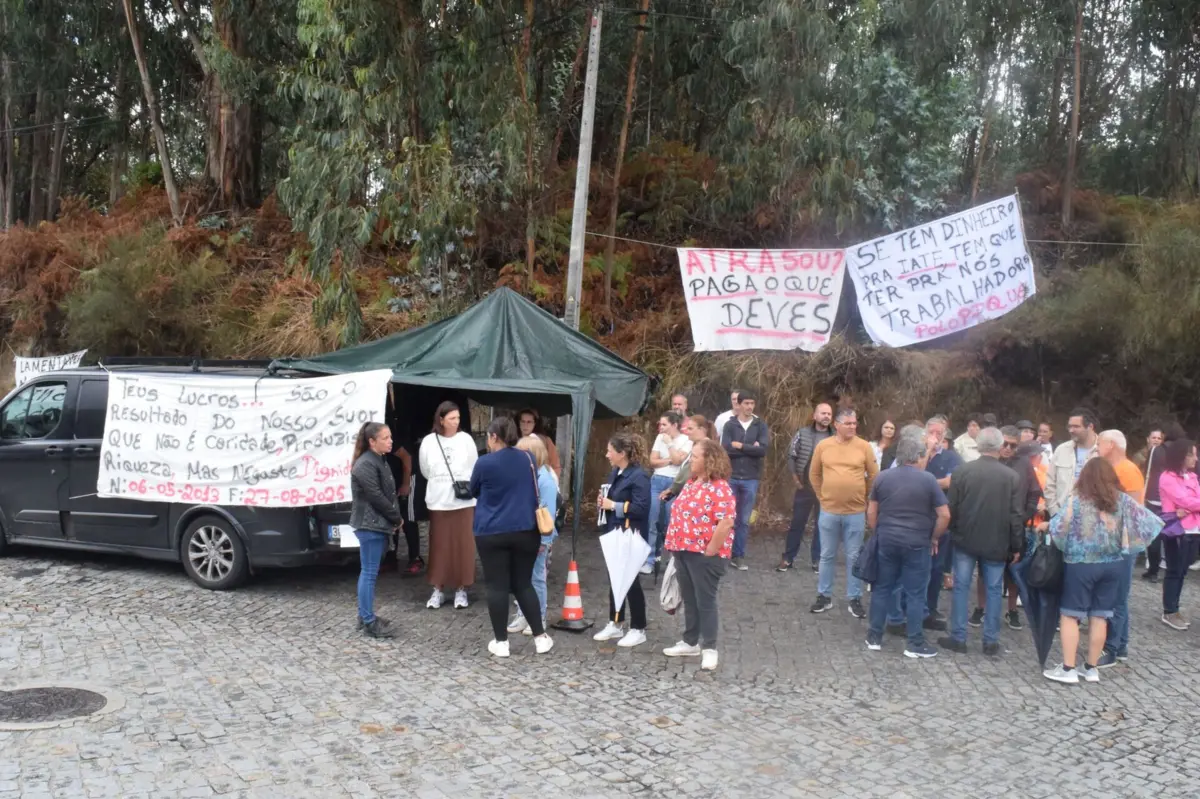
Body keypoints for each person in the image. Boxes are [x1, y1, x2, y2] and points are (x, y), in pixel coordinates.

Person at [1042, 459, 1162, 684]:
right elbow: (1150, 523)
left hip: (1082, 565)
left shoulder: (1076, 502)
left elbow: (1059, 532)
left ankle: (1068, 669)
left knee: (1070, 614)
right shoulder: (1123, 501)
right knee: (1100, 616)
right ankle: (1091, 667)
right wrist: (1129, 545)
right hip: (1113, 565)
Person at [469, 418, 554, 658]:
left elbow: (473, 490)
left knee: (496, 586)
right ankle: (540, 637)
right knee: (523, 583)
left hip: (491, 531)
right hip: (526, 530)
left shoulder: (484, 463)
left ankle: (501, 642)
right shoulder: (527, 458)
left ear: (494, 437)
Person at [936, 428, 1023, 657]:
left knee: (961, 587)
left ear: (979, 445)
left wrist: (953, 532)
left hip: (965, 539)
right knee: (994, 590)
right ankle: (990, 641)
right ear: (999, 445)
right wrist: (1016, 546)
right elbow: (1016, 516)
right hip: (997, 541)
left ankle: (958, 637)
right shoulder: (1011, 477)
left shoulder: (962, 472)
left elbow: (951, 507)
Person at [865, 435, 950, 658]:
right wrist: (934, 537)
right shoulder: (928, 480)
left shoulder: (882, 477)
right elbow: (944, 515)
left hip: (887, 540)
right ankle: (914, 643)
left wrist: (878, 532)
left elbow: (872, 511)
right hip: (917, 543)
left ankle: (874, 636)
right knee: (915, 594)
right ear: (919, 457)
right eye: (925, 456)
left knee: (882, 588)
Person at [662, 439, 736, 671]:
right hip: (683, 550)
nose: (690, 460)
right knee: (690, 598)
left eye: (695, 456)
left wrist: (710, 552)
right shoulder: (692, 482)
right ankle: (690, 640)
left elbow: (725, 522)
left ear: (709, 459)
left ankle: (710, 647)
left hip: (703, 555)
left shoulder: (720, 488)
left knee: (705, 601)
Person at [966, 426, 1041, 631]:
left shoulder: (1024, 464)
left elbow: (1035, 492)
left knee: (1014, 572)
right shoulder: (990, 462)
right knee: (984, 570)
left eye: (1013, 445)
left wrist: (1026, 516)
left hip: (1016, 525)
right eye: (1005, 444)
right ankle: (981, 608)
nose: (1008, 448)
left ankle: (1012, 610)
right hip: (991, 525)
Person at [808, 408, 878, 617]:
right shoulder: (823, 446)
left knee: (854, 556)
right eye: (848, 423)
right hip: (829, 510)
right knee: (827, 555)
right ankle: (824, 596)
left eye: (854, 423)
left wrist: (864, 497)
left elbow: (874, 475)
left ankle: (854, 598)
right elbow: (814, 474)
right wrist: (823, 496)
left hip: (855, 511)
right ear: (836, 425)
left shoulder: (864, 447)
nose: (852, 427)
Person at [593, 433, 653, 648]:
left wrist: (613, 506)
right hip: (614, 531)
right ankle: (615, 622)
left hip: (630, 534)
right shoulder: (616, 472)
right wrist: (605, 502)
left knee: (630, 581)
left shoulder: (639, 477)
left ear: (622, 453)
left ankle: (638, 627)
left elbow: (641, 508)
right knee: (615, 579)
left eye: (610, 451)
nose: (606, 454)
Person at [1095, 429, 1148, 666]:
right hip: (1114, 540)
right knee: (1116, 594)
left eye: (1099, 443)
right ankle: (1121, 644)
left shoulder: (1127, 470)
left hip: (1123, 543)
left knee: (1117, 595)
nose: (1096, 446)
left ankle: (1113, 647)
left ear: (1111, 445)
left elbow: (1135, 510)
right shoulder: (1114, 470)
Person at [419, 402, 478, 610]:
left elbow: (473, 465)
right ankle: (438, 588)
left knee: (463, 545)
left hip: (462, 501)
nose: (456, 422)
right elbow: (425, 470)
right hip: (439, 501)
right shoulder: (428, 442)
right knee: (439, 545)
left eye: (458, 418)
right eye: (452, 418)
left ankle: (461, 588)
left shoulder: (466, 440)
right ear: (441, 419)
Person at [349, 422, 404, 638]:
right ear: (372, 441)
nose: (390, 441)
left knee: (369, 572)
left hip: (376, 525)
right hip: (369, 525)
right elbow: (376, 496)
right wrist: (396, 517)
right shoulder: (365, 464)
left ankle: (365, 615)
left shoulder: (378, 459)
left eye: (390, 437)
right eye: (386, 438)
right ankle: (368, 620)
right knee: (369, 573)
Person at [506, 435, 559, 636]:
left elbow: (548, 513)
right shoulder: (529, 475)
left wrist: (543, 541)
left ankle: (539, 616)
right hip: (523, 535)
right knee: (521, 578)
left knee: (536, 578)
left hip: (538, 537)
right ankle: (523, 614)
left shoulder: (545, 480)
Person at [778, 403, 834, 573]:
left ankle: (817, 560)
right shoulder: (802, 434)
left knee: (822, 525)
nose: (826, 416)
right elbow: (791, 456)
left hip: (826, 489)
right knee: (797, 523)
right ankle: (788, 558)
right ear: (815, 416)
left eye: (829, 414)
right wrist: (795, 479)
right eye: (823, 413)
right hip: (804, 487)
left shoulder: (836, 438)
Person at [721, 392, 768, 571]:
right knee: (726, 517)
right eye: (746, 403)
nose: (749, 407)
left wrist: (740, 446)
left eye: (752, 403)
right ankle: (722, 552)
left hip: (750, 478)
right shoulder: (730, 425)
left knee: (744, 520)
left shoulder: (760, 425)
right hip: (731, 477)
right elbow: (726, 449)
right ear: (739, 404)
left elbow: (762, 450)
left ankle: (738, 556)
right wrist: (751, 448)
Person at [1157, 438, 1200, 631]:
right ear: (1181, 455)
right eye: (1192, 454)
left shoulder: (1192, 477)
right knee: (1174, 571)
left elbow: (1193, 501)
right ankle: (1170, 611)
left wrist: (1189, 506)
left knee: (1183, 570)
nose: (1196, 458)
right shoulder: (1167, 477)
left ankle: (1174, 608)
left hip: (1194, 529)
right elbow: (1185, 500)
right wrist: (1188, 506)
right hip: (1177, 530)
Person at [647, 412, 691, 573]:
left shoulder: (686, 441)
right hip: (657, 481)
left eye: (664, 424)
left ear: (674, 425)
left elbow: (679, 461)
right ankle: (650, 560)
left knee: (670, 522)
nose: (661, 428)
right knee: (653, 521)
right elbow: (652, 462)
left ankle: (672, 562)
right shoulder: (659, 438)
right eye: (660, 424)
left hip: (674, 483)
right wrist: (670, 460)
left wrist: (670, 445)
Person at [1142, 423, 1185, 582]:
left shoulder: (1156, 450)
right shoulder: (1182, 452)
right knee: (1172, 535)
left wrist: (1144, 494)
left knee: (1154, 536)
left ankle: (1153, 571)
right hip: (1175, 500)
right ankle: (1173, 569)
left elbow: (1148, 473)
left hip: (1154, 497)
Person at [1045, 408, 1099, 517]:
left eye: (1076, 426)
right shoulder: (1061, 450)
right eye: (1069, 426)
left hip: (1092, 520)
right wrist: (1055, 512)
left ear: (1090, 427)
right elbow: (1050, 483)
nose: (1071, 430)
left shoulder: (1103, 451)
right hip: (1061, 516)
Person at [386, 439, 425, 575]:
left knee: (408, 518)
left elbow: (406, 457)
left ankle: (415, 558)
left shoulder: (385, 436)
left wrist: (406, 483)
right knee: (391, 518)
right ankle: (391, 558)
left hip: (406, 477)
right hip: (391, 481)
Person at [516, 408, 561, 475]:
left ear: (535, 423)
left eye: (529, 422)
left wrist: (550, 481)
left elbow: (556, 466)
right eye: (523, 421)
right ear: (519, 422)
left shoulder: (545, 441)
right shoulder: (514, 440)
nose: (525, 425)